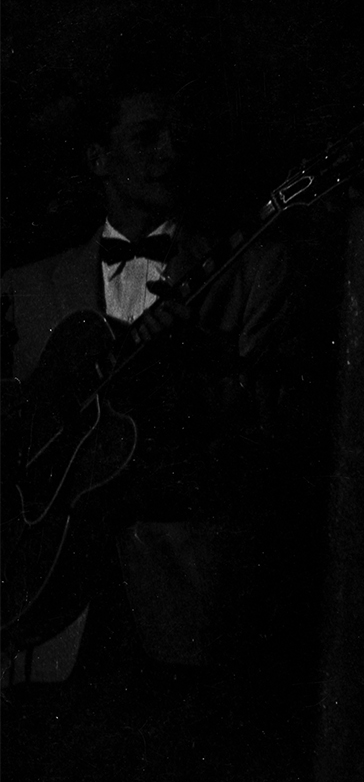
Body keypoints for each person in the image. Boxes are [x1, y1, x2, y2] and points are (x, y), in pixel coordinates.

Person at [3, 84, 296, 686]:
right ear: (97, 160)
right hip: (49, 624)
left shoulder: (250, 268)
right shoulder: (26, 289)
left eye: (176, 136)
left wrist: (201, 373)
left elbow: (278, 437)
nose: (169, 152)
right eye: (146, 137)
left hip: (184, 607)